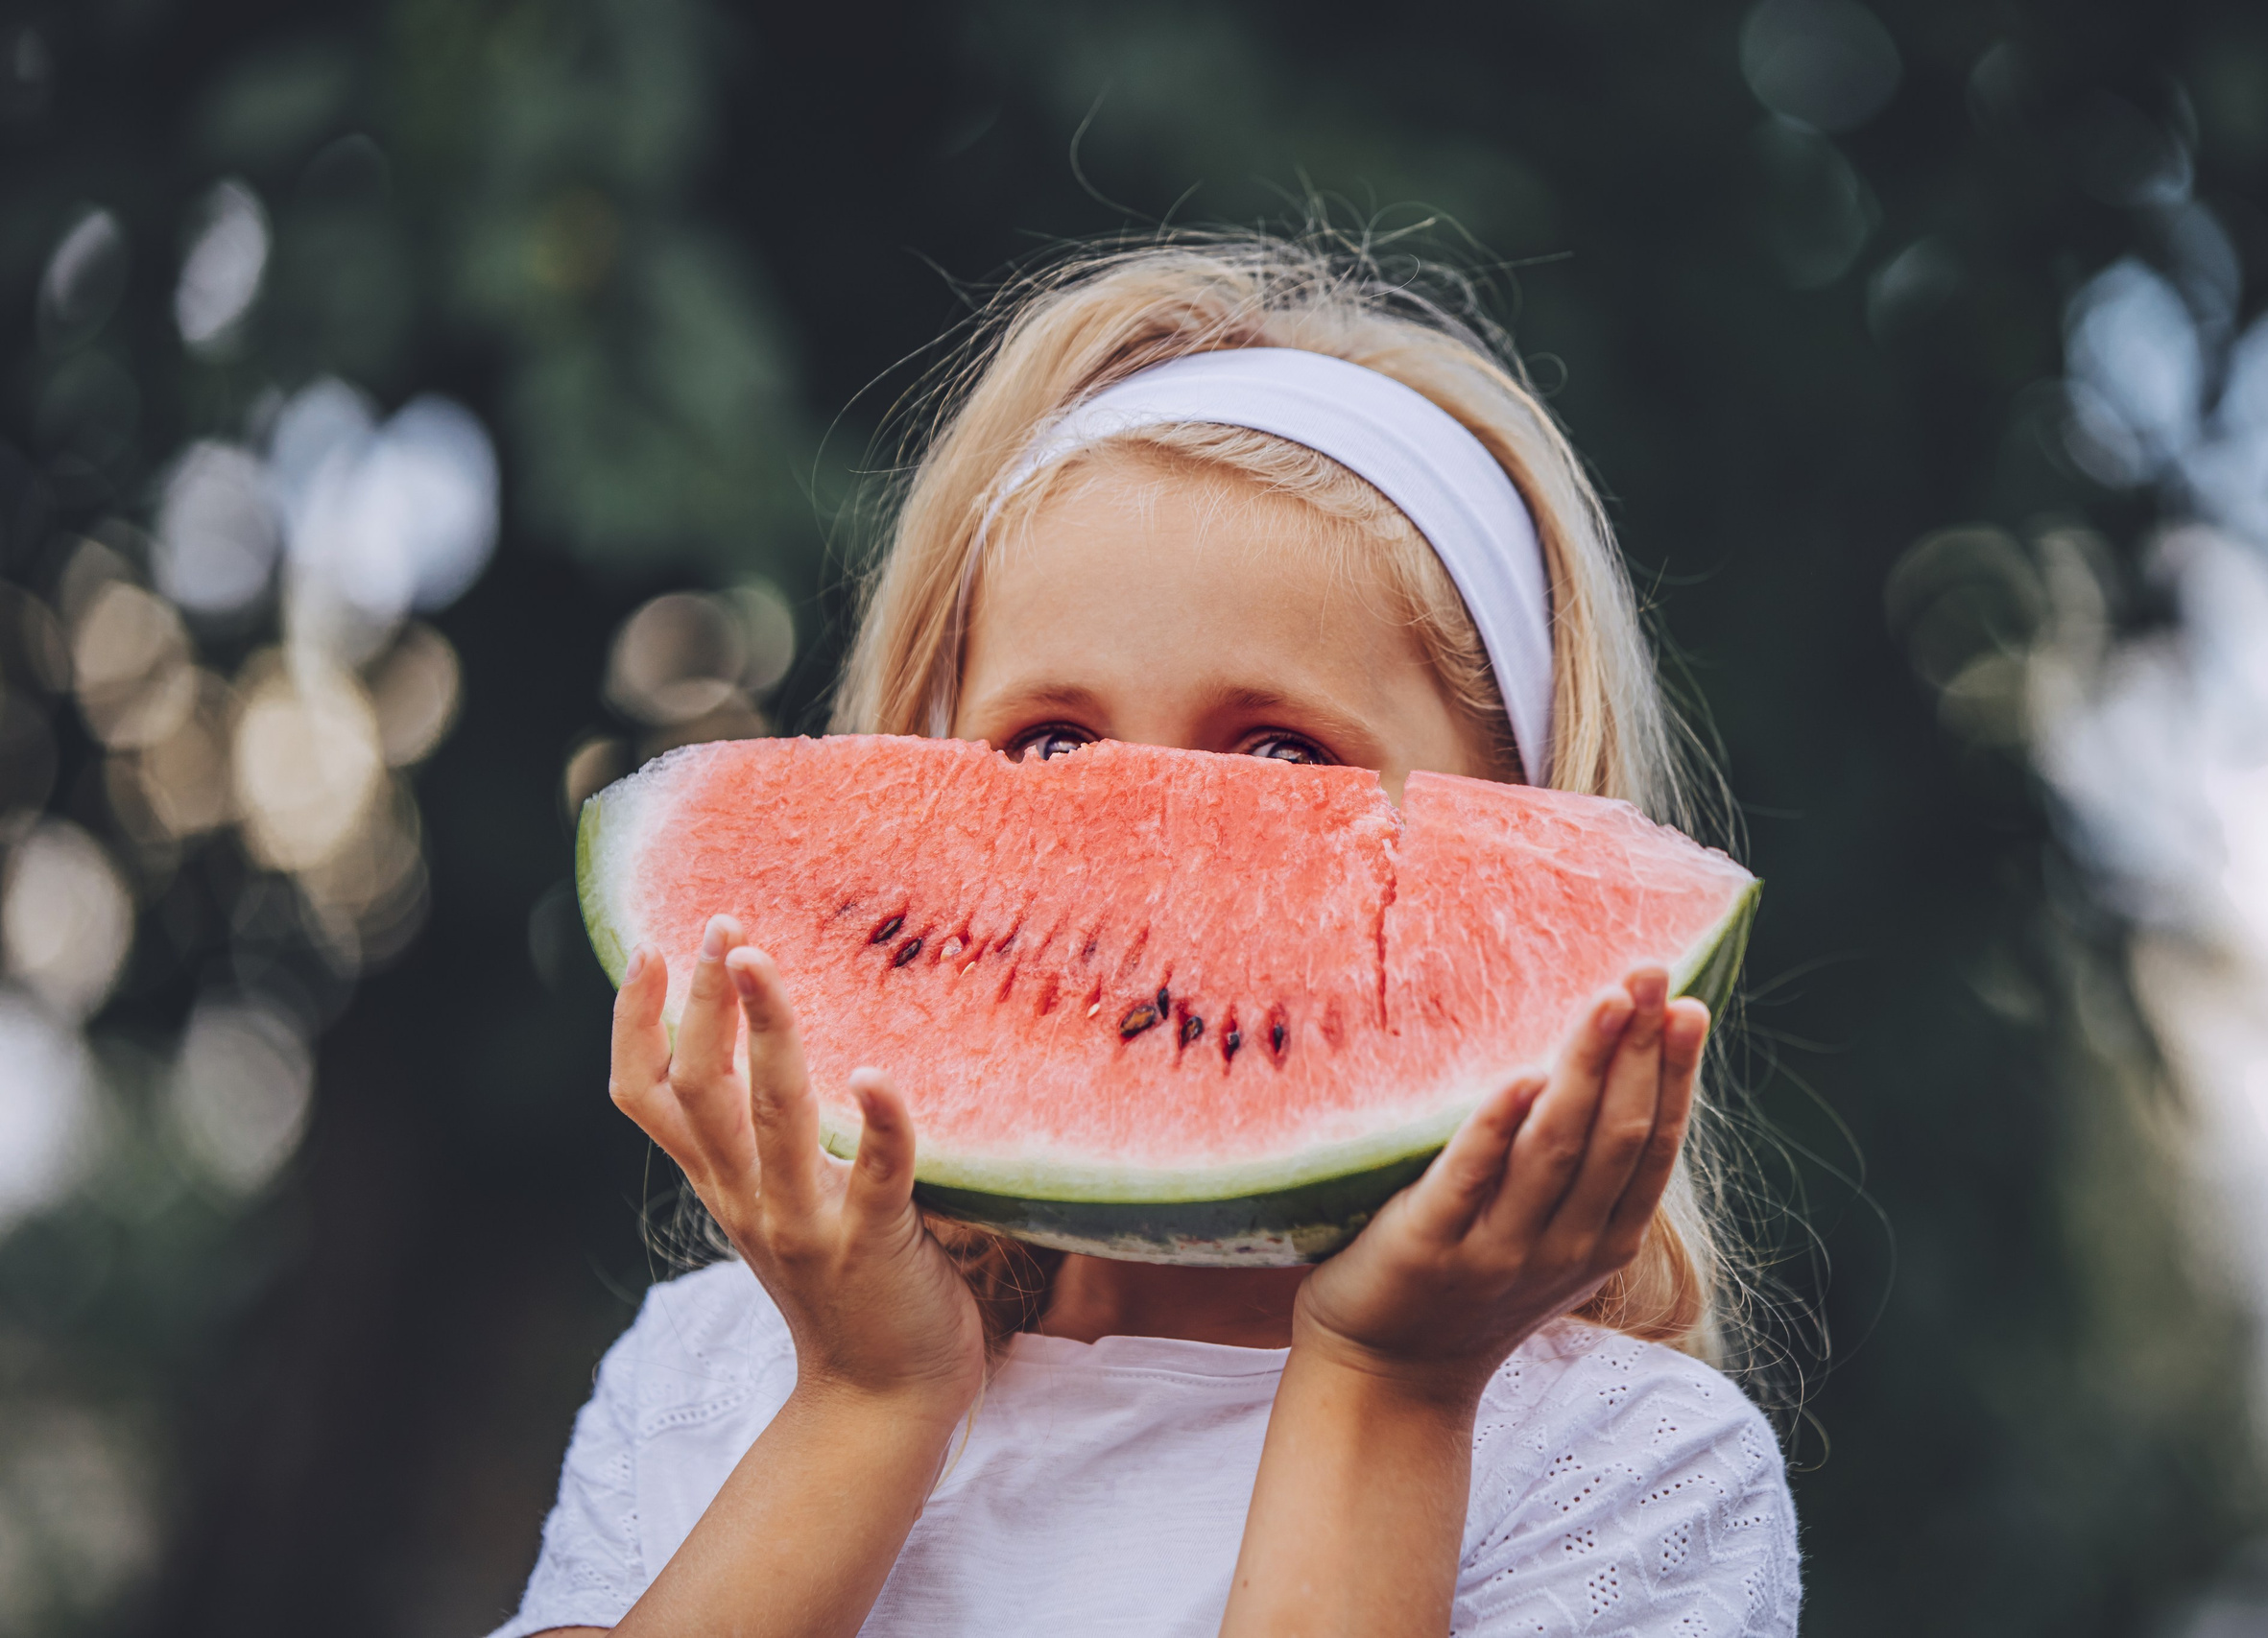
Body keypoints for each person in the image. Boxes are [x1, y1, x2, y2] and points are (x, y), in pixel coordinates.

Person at [490, 232, 1802, 1638]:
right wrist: (869, 1399)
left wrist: (1393, 1390)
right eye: (1050, 745)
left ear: (1519, 821)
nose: (1149, 842)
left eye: (1285, 762)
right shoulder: (720, 1373)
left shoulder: (1626, 1466)